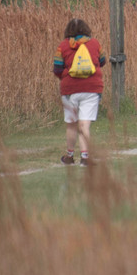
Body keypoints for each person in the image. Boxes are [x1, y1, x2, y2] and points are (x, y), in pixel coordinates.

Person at [52, 17, 107, 166]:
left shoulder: (63, 46)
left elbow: (57, 69)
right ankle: (85, 158)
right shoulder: (94, 43)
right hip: (91, 89)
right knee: (84, 124)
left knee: (71, 124)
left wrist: (65, 78)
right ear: (86, 29)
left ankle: (69, 156)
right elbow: (102, 61)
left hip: (70, 90)